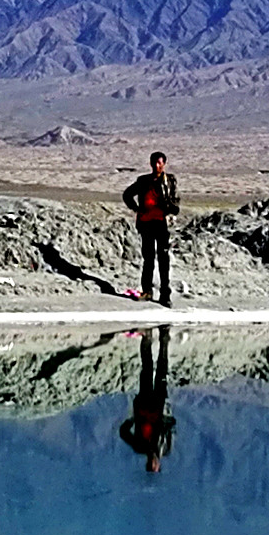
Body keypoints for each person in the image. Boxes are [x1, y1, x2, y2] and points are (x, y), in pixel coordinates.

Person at [122, 151, 180, 306]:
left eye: (160, 163)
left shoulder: (169, 181)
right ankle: (147, 290)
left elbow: (175, 204)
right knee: (148, 258)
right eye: (154, 163)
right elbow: (127, 194)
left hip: (161, 223)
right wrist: (137, 208)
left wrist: (167, 207)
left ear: (164, 164)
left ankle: (165, 294)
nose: (157, 166)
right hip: (146, 223)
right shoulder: (143, 181)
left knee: (163, 258)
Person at [119, 325, 176, 473]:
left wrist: (133, 417)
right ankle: (164, 337)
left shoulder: (139, 447)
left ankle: (147, 339)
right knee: (162, 370)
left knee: (147, 369)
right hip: (158, 404)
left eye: (149, 465)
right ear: (158, 465)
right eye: (154, 466)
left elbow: (123, 432)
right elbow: (171, 429)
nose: (152, 463)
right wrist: (167, 418)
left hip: (144, 403)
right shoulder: (164, 448)